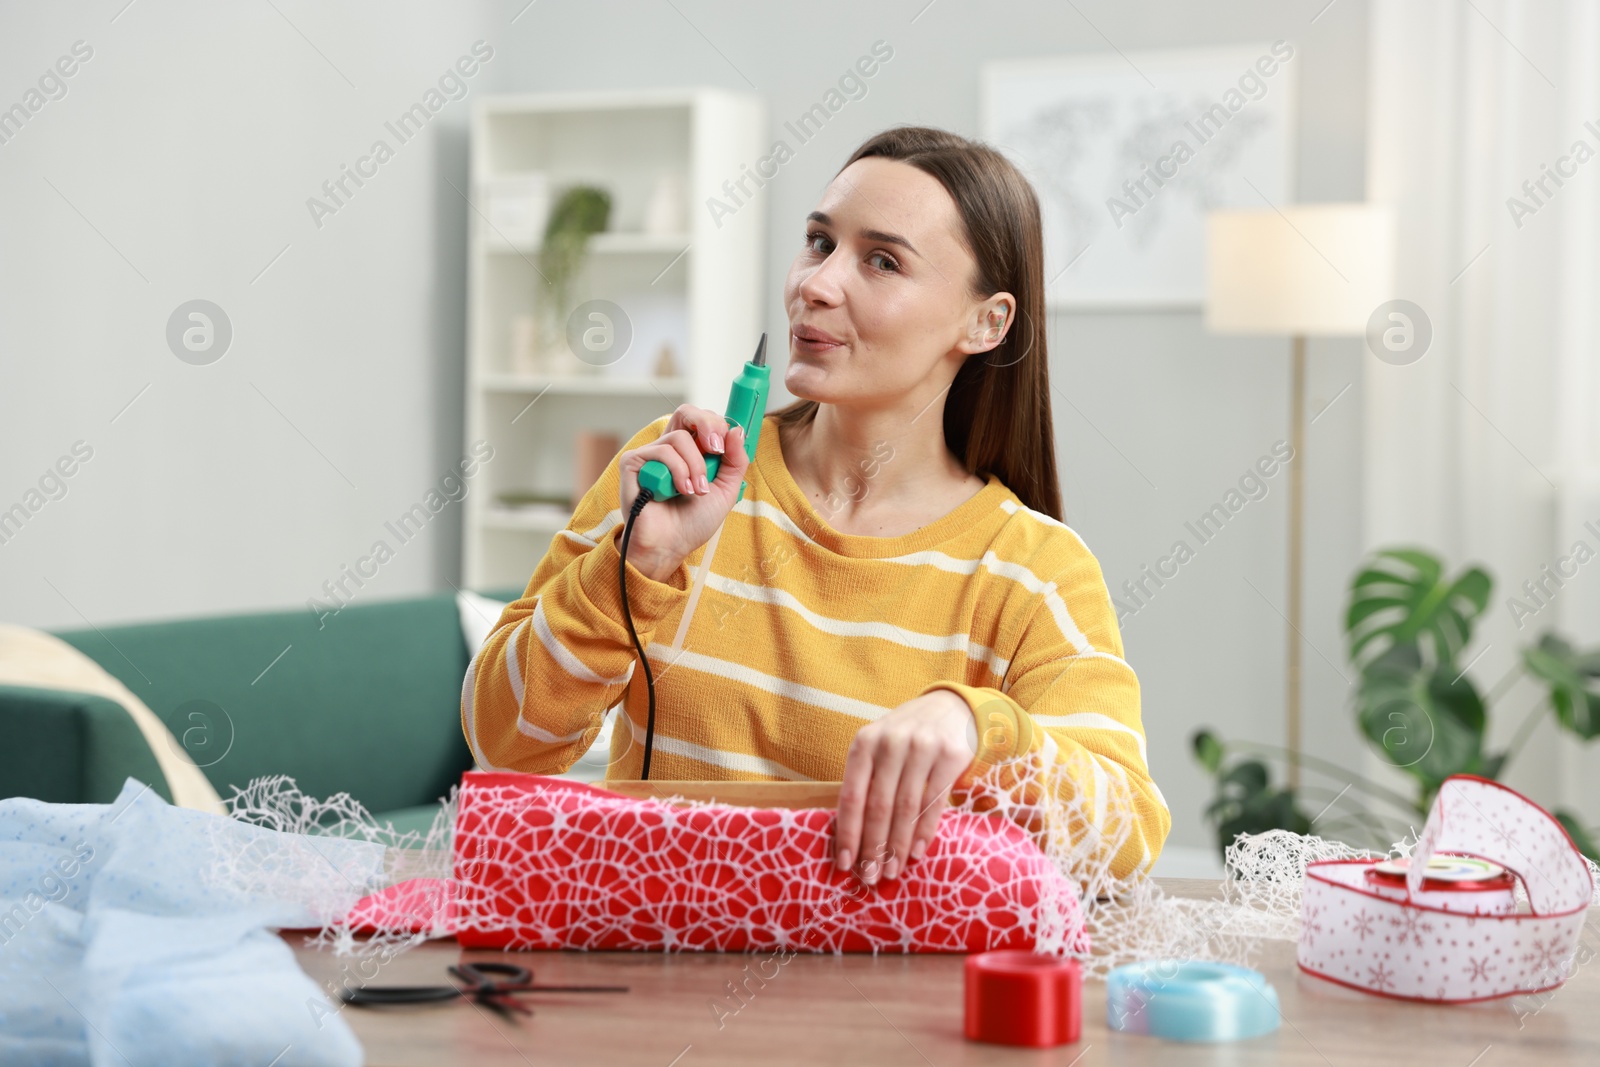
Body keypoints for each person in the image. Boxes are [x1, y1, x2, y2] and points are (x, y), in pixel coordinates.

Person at [462, 125, 1170, 884]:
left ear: (985, 322)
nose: (816, 284)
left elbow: (1125, 833)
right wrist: (633, 567)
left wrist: (980, 725)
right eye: (818, 242)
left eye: (883, 260)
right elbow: (501, 745)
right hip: (651, 967)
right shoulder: (674, 477)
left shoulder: (1035, 570)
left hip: (877, 994)